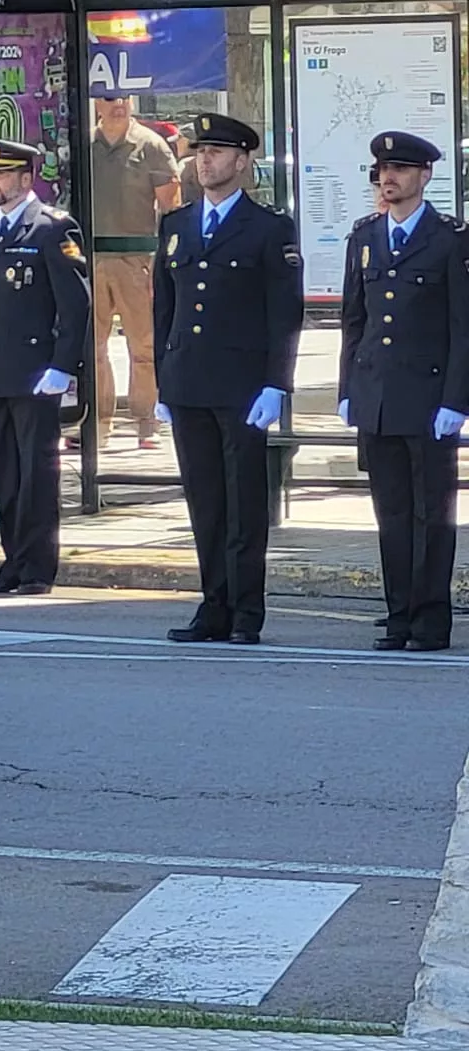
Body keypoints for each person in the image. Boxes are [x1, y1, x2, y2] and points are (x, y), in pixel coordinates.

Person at [152, 114, 302, 647]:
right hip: (189, 382)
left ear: (241, 162)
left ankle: (245, 611)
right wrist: (163, 384)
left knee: (243, 506)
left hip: (242, 387)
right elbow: (163, 312)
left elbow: (284, 314)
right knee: (205, 502)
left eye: (216, 152)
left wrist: (276, 383)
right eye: (200, 151)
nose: (204, 160)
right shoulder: (176, 225)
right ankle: (212, 605)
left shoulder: (268, 228)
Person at [338, 131, 469, 652]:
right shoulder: (366, 235)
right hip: (378, 395)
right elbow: (355, 320)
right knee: (390, 513)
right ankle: (398, 615)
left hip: (429, 395)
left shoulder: (451, 239)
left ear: (425, 176)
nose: (388, 178)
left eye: (400, 169)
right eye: (383, 170)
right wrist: (348, 389)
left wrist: (457, 399)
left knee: (432, 515)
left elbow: (463, 327)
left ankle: (431, 618)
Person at [0, 140, 90, 596]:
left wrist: (63, 365)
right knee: (4, 471)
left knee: (37, 472)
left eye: (0, 175)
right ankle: (12, 561)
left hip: (35, 371)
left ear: (24, 178)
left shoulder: (52, 229)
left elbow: (75, 306)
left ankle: (38, 566)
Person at [88, 96, 179, 451]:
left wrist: (164, 265)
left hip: (139, 259)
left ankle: (147, 419)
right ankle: (96, 421)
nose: (118, 105)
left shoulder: (151, 145)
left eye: (123, 98)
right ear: (96, 103)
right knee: (91, 347)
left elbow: (171, 208)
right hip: (93, 257)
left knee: (144, 344)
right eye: (109, 99)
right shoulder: (85, 144)